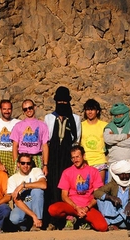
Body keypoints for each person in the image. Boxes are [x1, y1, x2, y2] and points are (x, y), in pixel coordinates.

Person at [44, 86, 81, 228]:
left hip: (67, 157)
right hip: (53, 158)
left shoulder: (75, 119)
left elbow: (76, 139)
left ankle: (69, 218)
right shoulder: (49, 118)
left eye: (65, 101)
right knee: (53, 186)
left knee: (67, 187)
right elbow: (46, 141)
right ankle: (53, 220)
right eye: (59, 101)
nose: (62, 104)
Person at [48, 145, 108, 232]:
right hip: (72, 206)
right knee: (53, 209)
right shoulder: (67, 172)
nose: (75, 160)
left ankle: (83, 221)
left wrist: (87, 208)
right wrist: (76, 207)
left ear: (83, 156)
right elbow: (64, 196)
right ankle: (71, 218)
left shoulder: (93, 171)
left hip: (87, 207)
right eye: (73, 158)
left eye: (77, 157)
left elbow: (97, 194)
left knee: (102, 227)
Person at [94, 159, 130, 230]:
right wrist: (110, 197)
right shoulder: (113, 184)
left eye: (127, 174)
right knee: (100, 199)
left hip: (129, 218)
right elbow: (97, 192)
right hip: (115, 216)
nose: (125, 176)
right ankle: (111, 223)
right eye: (122, 174)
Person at [7, 153, 47, 231]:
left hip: (35, 203)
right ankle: (26, 225)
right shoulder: (12, 179)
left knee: (37, 191)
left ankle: (37, 224)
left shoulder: (36, 171)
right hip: (23, 205)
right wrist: (33, 215)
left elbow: (44, 185)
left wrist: (23, 185)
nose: (26, 165)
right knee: (14, 218)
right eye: (23, 163)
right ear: (18, 164)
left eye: (28, 163)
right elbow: (17, 201)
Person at [10, 99, 49, 176]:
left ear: (35, 107)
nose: (28, 110)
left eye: (30, 108)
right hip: (22, 158)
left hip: (37, 158)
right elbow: (15, 146)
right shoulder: (18, 125)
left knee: (37, 182)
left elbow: (45, 146)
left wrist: (45, 165)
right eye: (25, 109)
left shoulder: (42, 125)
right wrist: (16, 163)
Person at [104, 103, 130, 180]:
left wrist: (115, 142)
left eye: (120, 115)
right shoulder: (109, 126)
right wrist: (124, 136)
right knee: (114, 190)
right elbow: (108, 140)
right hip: (114, 163)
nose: (118, 117)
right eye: (116, 115)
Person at [0, 99, 20, 175]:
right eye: (4, 109)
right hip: (0, 155)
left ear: (12, 109)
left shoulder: (18, 123)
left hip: (15, 154)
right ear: (0, 109)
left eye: (9, 109)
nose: (7, 111)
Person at [80, 99, 108, 183]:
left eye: (92, 110)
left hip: (100, 160)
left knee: (99, 187)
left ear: (97, 111)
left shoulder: (104, 125)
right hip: (85, 161)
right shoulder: (81, 126)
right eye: (87, 110)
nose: (89, 112)